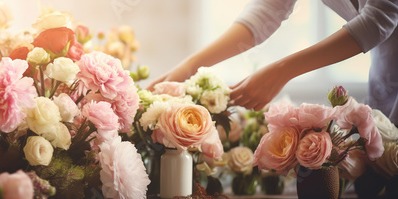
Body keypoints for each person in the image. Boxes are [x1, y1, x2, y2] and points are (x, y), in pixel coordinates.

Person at [147, 0, 398, 124]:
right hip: (385, 76)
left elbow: (381, 16)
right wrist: (191, 66)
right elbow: (268, 10)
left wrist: (282, 71)